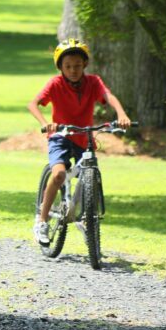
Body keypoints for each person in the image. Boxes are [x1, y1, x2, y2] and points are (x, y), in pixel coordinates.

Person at [27, 38, 131, 245]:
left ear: (84, 65)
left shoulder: (93, 82)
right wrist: (46, 123)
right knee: (58, 174)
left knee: (90, 174)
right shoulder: (55, 84)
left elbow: (108, 96)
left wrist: (121, 114)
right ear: (61, 68)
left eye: (77, 65)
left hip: (84, 136)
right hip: (60, 137)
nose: (73, 70)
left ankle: (86, 217)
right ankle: (41, 221)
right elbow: (34, 104)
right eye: (68, 66)